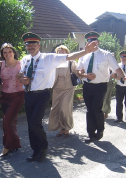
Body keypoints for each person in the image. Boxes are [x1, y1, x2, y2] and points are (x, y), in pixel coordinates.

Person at [17, 32, 98, 162]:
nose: (30, 47)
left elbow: (69, 56)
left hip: (42, 95)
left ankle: (43, 148)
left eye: (33, 44)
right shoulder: (25, 59)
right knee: (30, 125)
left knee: (34, 124)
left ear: (39, 45)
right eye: (28, 45)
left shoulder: (48, 58)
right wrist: (22, 79)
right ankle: (35, 150)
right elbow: (21, 74)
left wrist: (85, 51)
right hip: (28, 94)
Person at [77, 31, 126, 143]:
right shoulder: (83, 55)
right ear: (87, 43)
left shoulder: (106, 55)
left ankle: (100, 130)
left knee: (96, 109)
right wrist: (85, 75)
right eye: (89, 41)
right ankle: (91, 134)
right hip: (87, 86)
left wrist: (124, 77)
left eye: (94, 41)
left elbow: (117, 68)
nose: (92, 43)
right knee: (89, 110)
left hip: (100, 86)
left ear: (98, 42)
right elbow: (78, 71)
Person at [48, 45, 78, 137]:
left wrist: (83, 74)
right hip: (57, 89)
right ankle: (61, 128)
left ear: (67, 53)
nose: (60, 53)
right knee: (57, 109)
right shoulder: (54, 63)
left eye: (63, 52)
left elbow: (78, 73)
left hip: (68, 88)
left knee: (65, 109)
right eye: (59, 52)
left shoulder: (71, 63)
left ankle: (67, 127)